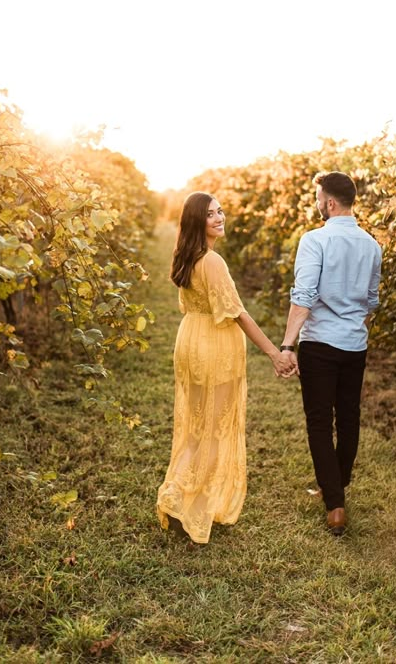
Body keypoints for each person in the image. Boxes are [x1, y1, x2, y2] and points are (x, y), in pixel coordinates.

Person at [157, 191, 294, 544]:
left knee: (196, 423)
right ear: (196, 221)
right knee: (214, 428)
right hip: (213, 346)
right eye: (211, 214)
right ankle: (191, 503)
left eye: (221, 211)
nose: (220, 218)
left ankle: (178, 492)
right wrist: (275, 354)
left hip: (190, 339)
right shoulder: (212, 261)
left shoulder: (186, 256)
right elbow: (238, 314)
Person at [281, 171, 382, 536]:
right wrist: (352, 323)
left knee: (320, 421)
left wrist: (287, 345)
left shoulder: (314, 240)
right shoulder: (372, 245)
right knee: (349, 416)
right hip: (355, 344)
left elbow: (303, 298)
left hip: (320, 343)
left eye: (318, 198)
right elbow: (372, 301)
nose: (317, 204)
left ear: (330, 202)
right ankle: (336, 485)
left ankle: (335, 504)